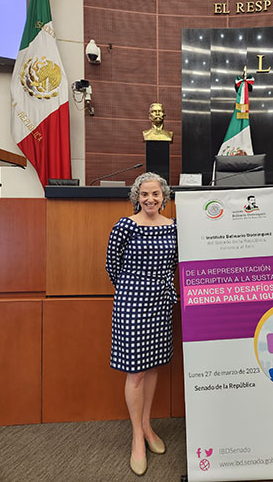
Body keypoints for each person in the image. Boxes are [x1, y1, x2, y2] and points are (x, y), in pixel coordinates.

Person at [106, 172, 178, 476]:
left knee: (152, 367)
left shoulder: (174, 228)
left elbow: (177, 264)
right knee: (134, 372)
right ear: (137, 196)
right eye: (144, 194)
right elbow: (113, 266)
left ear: (164, 196)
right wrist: (133, 289)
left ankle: (148, 426)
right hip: (131, 304)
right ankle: (137, 436)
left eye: (156, 194)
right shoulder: (125, 226)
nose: (150, 199)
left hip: (161, 305)